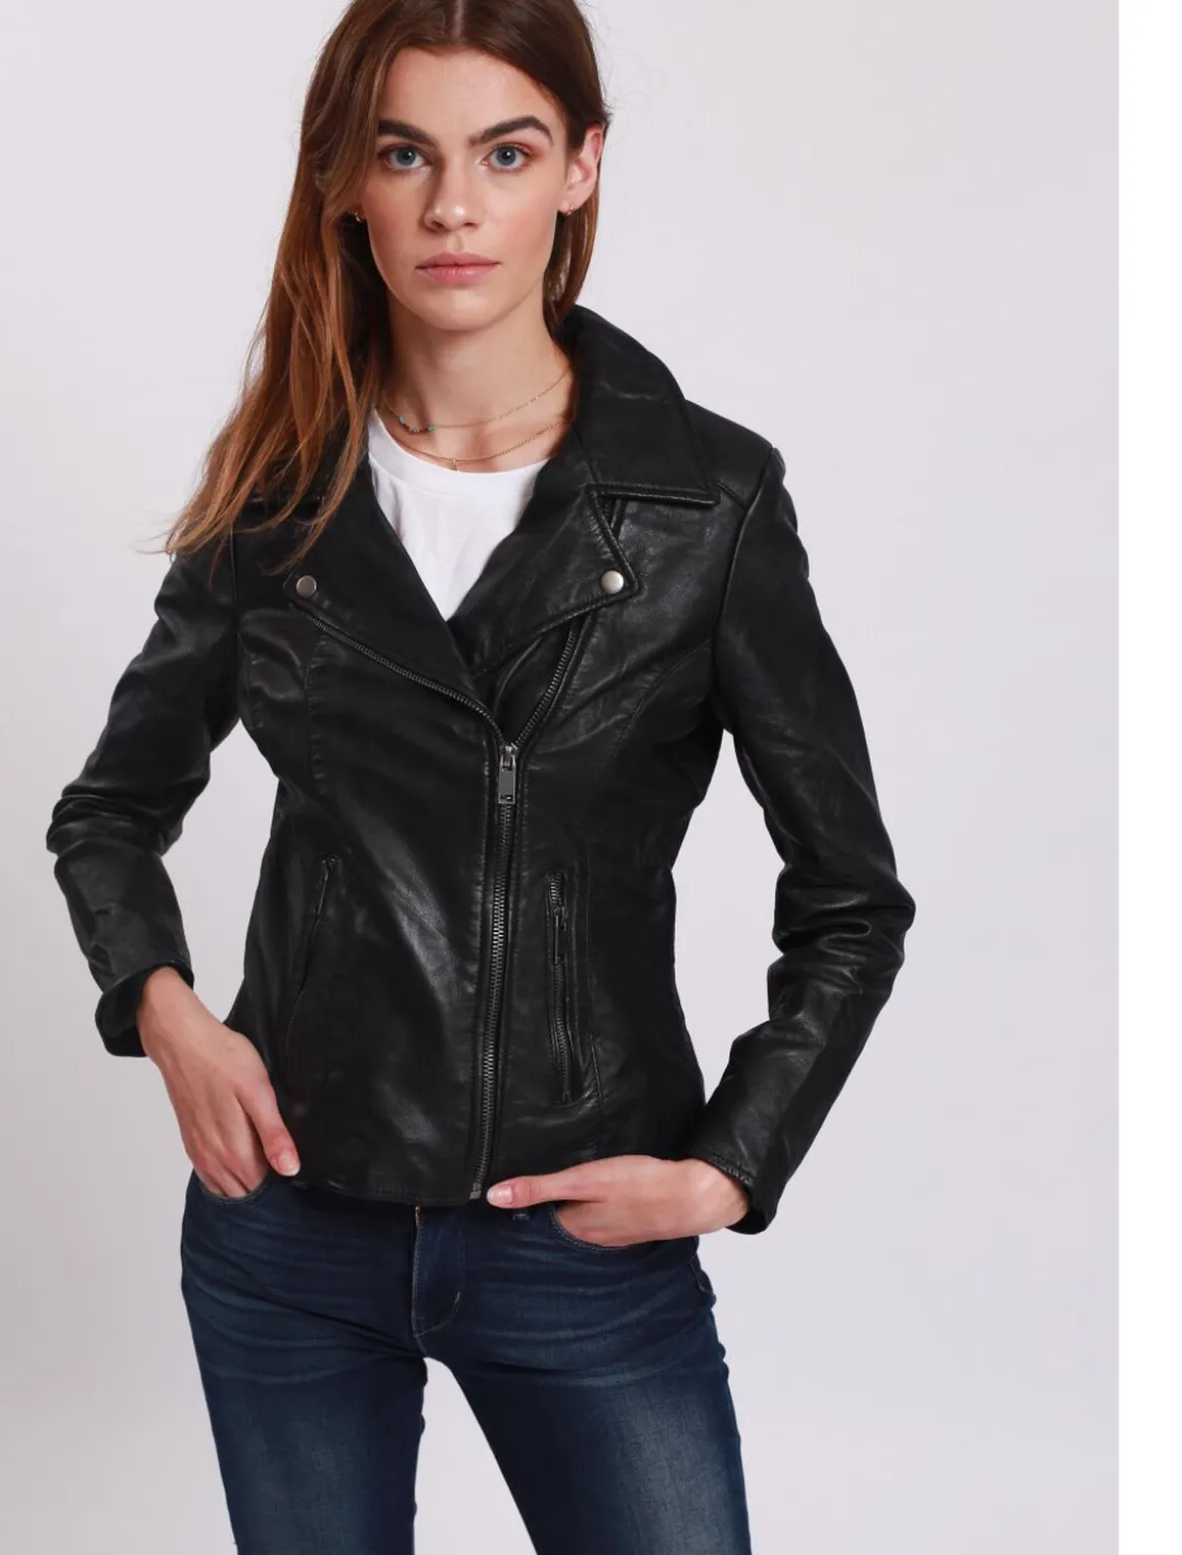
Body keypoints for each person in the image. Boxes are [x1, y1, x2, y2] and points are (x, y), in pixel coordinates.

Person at [45, 2, 916, 1551]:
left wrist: (732, 1163)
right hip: (290, 1229)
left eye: (505, 154)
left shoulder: (704, 503)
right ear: (349, 185)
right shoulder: (278, 500)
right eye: (407, 155)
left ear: (580, 167)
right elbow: (109, 810)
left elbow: (851, 896)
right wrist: (164, 1011)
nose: (454, 205)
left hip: (579, 1245)